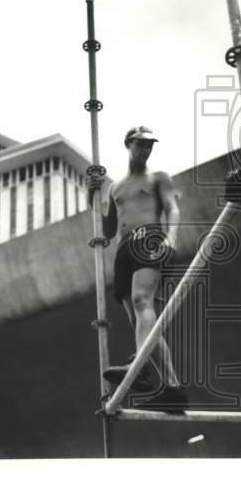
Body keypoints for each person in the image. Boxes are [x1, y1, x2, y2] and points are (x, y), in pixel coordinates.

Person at [90, 125, 187, 413]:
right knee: (139, 321)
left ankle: (141, 366)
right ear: (128, 144)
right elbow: (107, 229)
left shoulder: (158, 178)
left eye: (150, 145)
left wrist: (171, 238)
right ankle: (172, 387)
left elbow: (172, 208)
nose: (146, 149)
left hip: (150, 237)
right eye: (141, 144)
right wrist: (91, 193)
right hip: (123, 249)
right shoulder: (115, 187)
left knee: (142, 300)